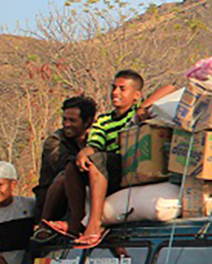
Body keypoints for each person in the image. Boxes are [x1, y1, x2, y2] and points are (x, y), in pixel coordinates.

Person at [58, 71, 174, 248]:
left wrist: (144, 106)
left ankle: (95, 223)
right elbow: (95, 142)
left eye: (122, 89)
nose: (115, 93)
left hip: (124, 167)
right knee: (73, 166)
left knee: (98, 160)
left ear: (136, 95)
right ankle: (76, 221)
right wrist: (84, 152)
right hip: (106, 171)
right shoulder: (103, 120)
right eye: (113, 88)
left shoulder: (136, 115)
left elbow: (170, 87)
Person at [34, 95, 97, 224]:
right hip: (55, 200)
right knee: (67, 174)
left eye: (72, 121)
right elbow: (66, 167)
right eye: (65, 120)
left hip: (84, 194)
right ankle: (44, 224)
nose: (67, 125)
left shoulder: (95, 140)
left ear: (87, 122)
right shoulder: (54, 142)